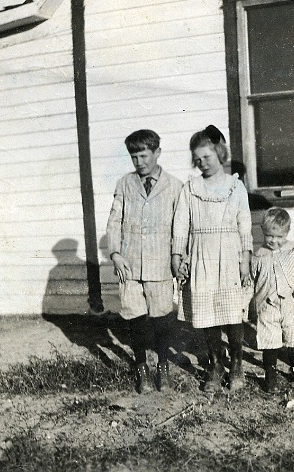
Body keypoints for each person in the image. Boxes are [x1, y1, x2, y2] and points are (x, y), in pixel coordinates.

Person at [173, 125, 253, 392]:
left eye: (207, 157)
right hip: (201, 255)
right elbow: (181, 226)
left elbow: (245, 225)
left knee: (232, 313)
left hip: (230, 255)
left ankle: (238, 365)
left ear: (220, 153)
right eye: (198, 158)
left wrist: (245, 258)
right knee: (208, 314)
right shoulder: (191, 188)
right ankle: (216, 365)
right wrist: (177, 255)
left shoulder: (235, 186)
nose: (202, 163)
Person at [106, 129, 183, 393]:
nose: (139, 162)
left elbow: (180, 227)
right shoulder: (124, 184)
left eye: (143, 156)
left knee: (161, 317)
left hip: (160, 264)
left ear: (157, 153)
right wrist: (115, 253)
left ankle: (162, 365)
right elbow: (114, 221)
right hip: (129, 264)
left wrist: (177, 257)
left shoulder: (174, 186)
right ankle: (141, 367)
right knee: (135, 317)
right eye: (134, 157)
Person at [251, 207, 294, 393]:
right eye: (270, 236)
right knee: (269, 340)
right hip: (267, 304)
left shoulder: (293, 250)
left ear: (287, 233)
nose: (274, 241)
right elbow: (252, 281)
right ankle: (270, 373)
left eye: (279, 237)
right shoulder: (258, 256)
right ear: (263, 231)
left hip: (291, 303)